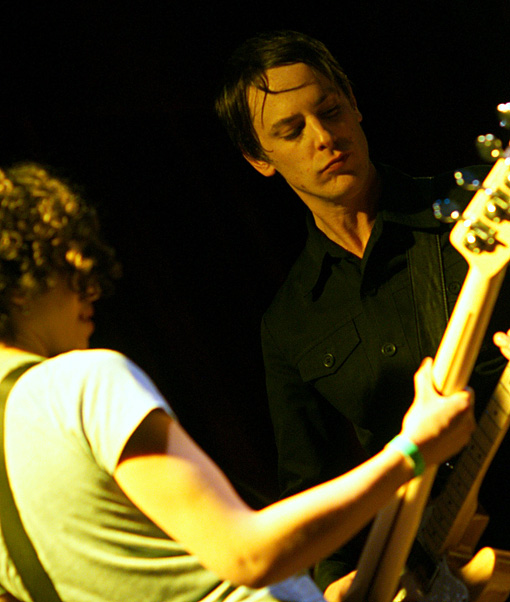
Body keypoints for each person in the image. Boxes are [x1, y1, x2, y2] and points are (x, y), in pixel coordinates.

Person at [0, 163, 479, 602]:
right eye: (67, 269)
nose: (92, 289)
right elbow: (248, 556)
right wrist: (413, 450)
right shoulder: (81, 383)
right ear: (18, 283)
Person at [214, 29, 510, 596]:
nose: (324, 138)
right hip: (433, 568)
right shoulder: (291, 321)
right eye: (291, 130)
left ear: (354, 103)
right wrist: (340, 583)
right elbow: (310, 480)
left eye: (329, 110)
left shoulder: (472, 220)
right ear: (259, 159)